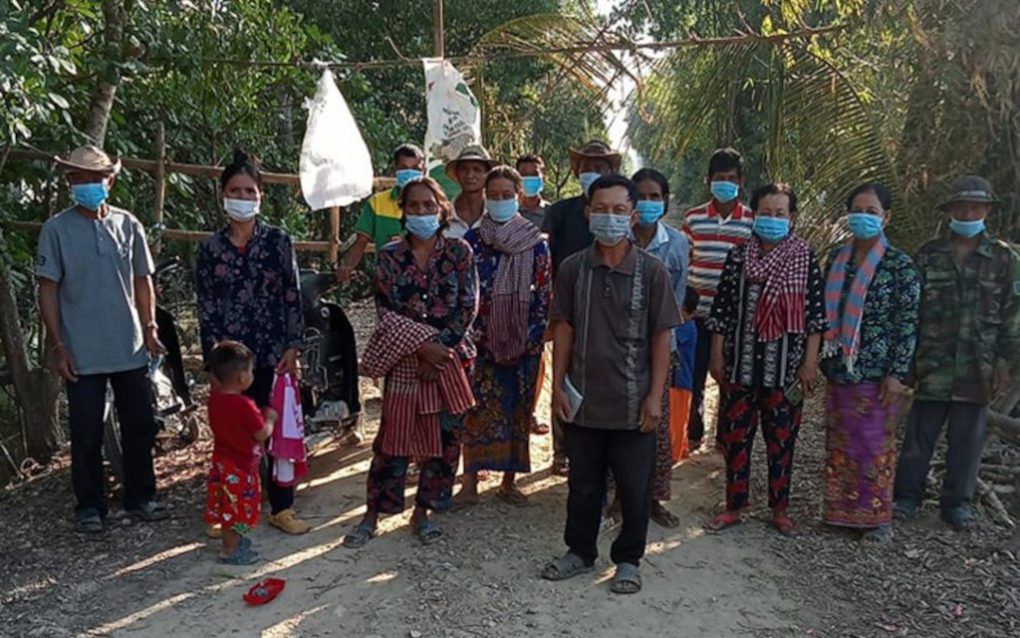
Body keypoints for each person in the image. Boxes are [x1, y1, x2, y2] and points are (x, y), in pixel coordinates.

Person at [542, 175, 680, 595]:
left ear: (633, 215)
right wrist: (559, 386)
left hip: (632, 401)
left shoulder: (652, 271)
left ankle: (628, 560)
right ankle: (580, 552)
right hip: (584, 398)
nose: (610, 217)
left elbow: (662, 336)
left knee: (634, 487)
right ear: (587, 214)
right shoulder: (572, 268)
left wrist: (656, 396)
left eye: (619, 210)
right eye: (601, 209)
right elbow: (562, 328)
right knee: (583, 482)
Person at [37, 144, 169, 533]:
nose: (89, 184)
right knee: (86, 432)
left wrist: (150, 328)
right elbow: (48, 289)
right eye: (81, 178)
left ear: (110, 181)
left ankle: (142, 495)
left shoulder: (129, 225)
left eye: (96, 178)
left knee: (140, 425)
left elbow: (142, 280)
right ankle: (90, 506)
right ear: (69, 182)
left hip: (128, 345)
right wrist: (58, 346)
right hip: (80, 351)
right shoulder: (56, 231)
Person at [343, 177, 478, 548]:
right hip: (406, 358)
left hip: (449, 360)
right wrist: (423, 348)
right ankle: (373, 513)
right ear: (403, 211)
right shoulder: (389, 255)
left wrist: (439, 351)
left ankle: (424, 511)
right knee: (393, 439)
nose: (421, 212)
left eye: (428, 205)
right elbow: (385, 310)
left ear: (442, 209)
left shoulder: (460, 253)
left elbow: (468, 307)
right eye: (413, 206)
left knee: (446, 438)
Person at [893, 175, 1020, 531]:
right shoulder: (929, 255)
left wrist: (1005, 364)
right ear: (950, 211)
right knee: (919, 438)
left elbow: (1013, 316)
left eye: (975, 207)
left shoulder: (1004, 259)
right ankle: (906, 498)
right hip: (931, 364)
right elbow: (910, 311)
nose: (967, 213)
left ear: (986, 211)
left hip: (978, 368)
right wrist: (908, 363)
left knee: (967, 442)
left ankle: (956, 505)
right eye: (961, 207)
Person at [195, 150, 311, 536]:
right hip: (230, 362)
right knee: (232, 437)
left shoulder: (278, 241)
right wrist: (214, 361)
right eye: (234, 190)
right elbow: (206, 306)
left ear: (260, 194)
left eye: (248, 190)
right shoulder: (210, 251)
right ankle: (231, 508)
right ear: (221, 194)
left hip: (273, 351)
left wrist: (293, 347)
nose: (241, 197)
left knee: (277, 430)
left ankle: (282, 508)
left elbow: (292, 295)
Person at [705, 183, 826, 536]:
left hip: (786, 369)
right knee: (737, 438)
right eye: (765, 213)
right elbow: (722, 313)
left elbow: (816, 317)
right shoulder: (738, 258)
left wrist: (810, 362)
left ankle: (780, 509)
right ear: (753, 215)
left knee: (782, 442)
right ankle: (733, 506)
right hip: (741, 366)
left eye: (780, 214)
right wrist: (716, 356)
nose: (772, 219)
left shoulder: (805, 259)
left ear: (792, 218)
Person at [821, 183, 921, 543]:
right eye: (858, 209)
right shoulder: (837, 258)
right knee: (841, 444)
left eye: (872, 210)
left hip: (877, 374)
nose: (864, 216)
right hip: (838, 369)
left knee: (873, 444)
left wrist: (897, 374)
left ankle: (876, 517)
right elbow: (822, 313)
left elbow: (907, 324)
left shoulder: (900, 265)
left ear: (886, 217)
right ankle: (841, 512)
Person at [459, 166, 552, 506]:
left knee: (517, 411)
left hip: (523, 345)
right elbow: (465, 294)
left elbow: (543, 296)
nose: (500, 201)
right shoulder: (471, 241)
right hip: (481, 345)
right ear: (485, 197)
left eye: (506, 195)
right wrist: (479, 336)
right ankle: (469, 484)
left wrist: (528, 339)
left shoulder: (536, 244)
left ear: (518, 196)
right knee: (476, 411)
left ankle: (508, 483)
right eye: (493, 195)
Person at [542, 140, 622, 476]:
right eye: (587, 167)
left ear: (610, 172)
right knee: (562, 375)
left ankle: (599, 450)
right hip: (567, 306)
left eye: (600, 168)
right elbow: (545, 261)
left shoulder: (618, 214)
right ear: (577, 171)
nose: (592, 172)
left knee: (604, 374)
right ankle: (562, 449)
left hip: (610, 307)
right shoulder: (560, 212)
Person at [623, 167, 691, 527]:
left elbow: (676, 303)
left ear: (665, 201)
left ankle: (651, 499)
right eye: (641, 196)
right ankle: (618, 497)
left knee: (654, 423)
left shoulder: (677, 244)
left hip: (662, 347)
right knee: (618, 423)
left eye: (655, 196)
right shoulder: (617, 238)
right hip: (619, 348)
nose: (648, 203)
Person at [682, 148, 755, 451]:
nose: (725, 183)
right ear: (708, 181)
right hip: (697, 314)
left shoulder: (752, 221)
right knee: (694, 376)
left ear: (741, 181)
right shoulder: (694, 218)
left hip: (734, 318)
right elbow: (685, 261)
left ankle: (724, 437)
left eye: (731, 179)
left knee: (729, 378)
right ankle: (694, 432)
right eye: (719, 178)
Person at [204, 341, 275, 565]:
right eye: (251, 370)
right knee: (237, 509)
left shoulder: (215, 400)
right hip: (242, 467)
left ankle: (235, 541)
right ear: (242, 378)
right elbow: (261, 433)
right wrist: (271, 419)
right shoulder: (244, 406)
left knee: (230, 506)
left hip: (223, 463)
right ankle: (230, 550)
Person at [336, 144, 425, 283]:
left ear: (424, 170)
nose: (409, 173)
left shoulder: (433, 203)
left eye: (415, 169)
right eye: (404, 168)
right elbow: (361, 241)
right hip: (387, 279)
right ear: (395, 169)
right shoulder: (378, 203)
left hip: (424, 278)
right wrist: (347, 266)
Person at [670, 287, 700, 464]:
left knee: (678, 418)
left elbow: (671, 340)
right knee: (677, 417)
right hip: (678, 380)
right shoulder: (685, 326)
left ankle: (675, 452)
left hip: (681, 380)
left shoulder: (687, 329)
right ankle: (682, 447)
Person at [445, 145, 497, 239]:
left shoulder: (497, 213)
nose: (469, 175)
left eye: (477, 170)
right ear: (457, 174)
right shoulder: (444, 215)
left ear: (488, 174)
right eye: (464, 169)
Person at [517, 153, 550, 231]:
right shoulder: (508, 213)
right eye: (524, 174)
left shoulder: (553, 213)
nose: (529, 178)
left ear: (543, 177)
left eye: (534, 174)